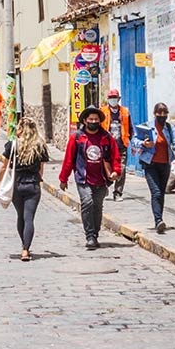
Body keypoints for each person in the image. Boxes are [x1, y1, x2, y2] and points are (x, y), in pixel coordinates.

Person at [60, 106, 121, 250]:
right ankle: (90, 235)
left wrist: (116, 171)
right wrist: (63, 178)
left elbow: (115, 157)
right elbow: (69, 159)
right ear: (85, 121)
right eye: (91, 119)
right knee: (87, 202)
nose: (93, 121)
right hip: (83, 178)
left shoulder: (107, 138)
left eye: (96, 119)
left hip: (101, 179)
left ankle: (95, 233)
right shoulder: (77, 138)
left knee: (97, 206)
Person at [0, 117, 49, 261]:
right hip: (33, 186)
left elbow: (4, 166)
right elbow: (41, 170)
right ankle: (25, 250)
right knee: (29, 217)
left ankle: (24, 246)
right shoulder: (40, 146)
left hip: (17, 185)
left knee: (20, 216)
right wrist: (37, 180)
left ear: (20, 130)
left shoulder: (12, 145)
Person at [131, 102, 175, 234]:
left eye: (164, 113)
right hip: (150, 164)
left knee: (161, 193)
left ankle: (159, 219)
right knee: (155, 192)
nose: (162, 115)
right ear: (155, 114)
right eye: (159, 113)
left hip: (164, 163)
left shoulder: (169, 127)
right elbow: (135, 140)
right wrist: (144, 143)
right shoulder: (146, 126)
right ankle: (158, 220)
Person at [100, 89, 131, 200]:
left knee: (121, 170)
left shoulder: (125, 112)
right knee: (105, 169)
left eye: (115, 98)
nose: (113, 100)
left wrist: (132, 144)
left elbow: (130, 128)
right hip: (106, 147)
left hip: (121, 146)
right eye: (111, 98)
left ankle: (118, 192)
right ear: (108, 99)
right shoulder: (102, 111)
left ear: (118, 99)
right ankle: (105, 187)